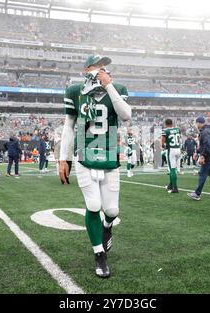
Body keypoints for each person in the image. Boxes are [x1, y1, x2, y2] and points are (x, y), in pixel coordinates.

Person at [58, 54, 131, 278]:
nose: (101, 69)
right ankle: (99, 254)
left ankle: (107, 227)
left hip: (109, 155)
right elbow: (69, 126)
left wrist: (109, 87)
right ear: (86, 69)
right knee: (93, 205)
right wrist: (64, 158)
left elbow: (126, 115)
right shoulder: (74, 91)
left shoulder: (117, 87)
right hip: (85, 154)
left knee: (112, 210)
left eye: (104, 66)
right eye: (96, 65)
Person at [188, 117, 210, 200]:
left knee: (203, 174)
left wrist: (203, 156)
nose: (196, 125)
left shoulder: (205, 132)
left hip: (208, 156)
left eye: (196, 123)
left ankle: (197, 193)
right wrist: (197, 152)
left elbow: (207, 145)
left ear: (199, 123)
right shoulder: (207, 130)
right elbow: (204, 145)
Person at [161, 118, 182, 194]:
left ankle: (175, 188)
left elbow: (162, 142)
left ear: (166, 124)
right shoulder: (177, 129)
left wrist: (164, 146)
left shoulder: (165, 130)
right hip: (178, 149)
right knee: (174, 168)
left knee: (172, 169)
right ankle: (170, 185)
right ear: (172, 123)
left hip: (171, 150)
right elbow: (179, 138)